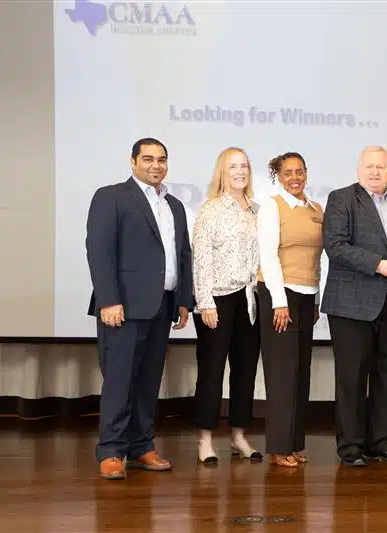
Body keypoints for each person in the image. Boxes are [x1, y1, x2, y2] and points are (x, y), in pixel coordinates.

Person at [86, 137, 193, 480]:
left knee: (149, 382)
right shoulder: (112, 196)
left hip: (162, 306)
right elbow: (99, 251)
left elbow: (182, 256)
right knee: (120, 381)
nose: (156, 165)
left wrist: (183, 301)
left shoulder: (174, 204)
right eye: (148, 159)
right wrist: (108, 299)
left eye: (162, 159)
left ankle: (142, 446)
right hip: (124, 307)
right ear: (132, 162)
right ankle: (112, 451)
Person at [321, 145, 387, 467]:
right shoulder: (342, 199)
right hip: (351, 305)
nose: (375, 172)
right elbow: (335, 246)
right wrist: (378, 264)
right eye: (369, 166)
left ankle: (381, 441)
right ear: (359, 169)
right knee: (351, 376)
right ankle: (350, 445)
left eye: (381, 167)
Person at [191, 147, 262, 465]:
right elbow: (201, 259)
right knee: (212, 370)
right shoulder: (210, 209)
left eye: (244, 166)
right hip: (216, 300)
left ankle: (238, 436)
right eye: (233, 166)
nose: (240, 171)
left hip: (250, 300)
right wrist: (205, 302)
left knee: (245, 371)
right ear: (222, 171)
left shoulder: (258, 211)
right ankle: (205, 439)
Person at [257, 152, 323, 467]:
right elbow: (268, 255)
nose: (294, 177)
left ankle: (294, 444)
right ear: (279, 176)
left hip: (307, 296)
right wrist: (279, 301)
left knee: (300, 374)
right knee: (282, 375)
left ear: (306, 174)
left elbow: (315, 260)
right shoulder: (272, 206)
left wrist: (318, 298)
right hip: (279, 297)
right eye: (288, 172)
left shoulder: (315, 209)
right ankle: (278, 447)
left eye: (299, 171)